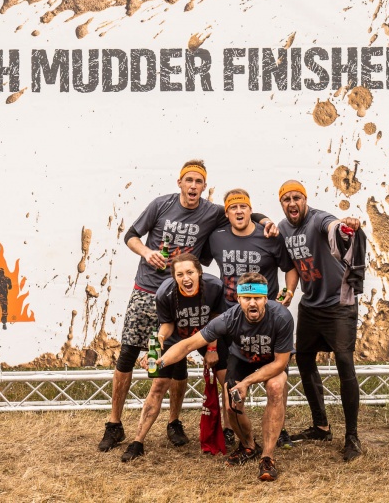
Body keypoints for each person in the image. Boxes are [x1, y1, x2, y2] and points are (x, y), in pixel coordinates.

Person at [98, 160, 277, 452]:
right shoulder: (161, 204)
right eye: (189, 180)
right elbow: (130, 235)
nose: (193, 186)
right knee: (129, 352)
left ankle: (174, 422)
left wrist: (266, 220)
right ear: (180, 182)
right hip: (148, 289)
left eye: (198, 181)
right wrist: (147, 252)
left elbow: (240, 210)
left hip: (186, 293)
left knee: (178, 359)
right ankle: (114, 424)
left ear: (204, 186)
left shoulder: (211, 212)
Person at [157, 272, 294, 482]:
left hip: (271, 362)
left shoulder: (282, 317)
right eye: (247, 298)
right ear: (239, 299)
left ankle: (267, 457)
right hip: (242, 359)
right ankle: (249, 446)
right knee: (232, 405)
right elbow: (188, 344)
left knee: (275, 387)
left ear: (266, 299)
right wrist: (161, 361)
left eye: (257, 298)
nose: (252, 303)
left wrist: (247, 382)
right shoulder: (229, 318)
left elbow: (280, 363)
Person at [202, 188, 299, 448]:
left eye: (243, 207)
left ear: (250, 209)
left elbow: (289, 268)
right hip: (231, 318)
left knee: (276, 380)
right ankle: (232, 428)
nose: (239, 211)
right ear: (226, 213)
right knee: (228, 379)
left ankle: (280, 429)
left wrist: (289, 291)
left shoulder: (269, 236)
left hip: (265, 318)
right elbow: (197, 261)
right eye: (233, 208)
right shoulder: (216, 237)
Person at [277, 179, 366, 462]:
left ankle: (352, 436)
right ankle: (321, 427)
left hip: (339, 304)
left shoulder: (318, 220)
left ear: (305, 200)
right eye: (287, 199)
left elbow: (333, 226)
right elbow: (292, 265)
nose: (292, 203)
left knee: (344, 363)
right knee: (303, 358)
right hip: (310, 305)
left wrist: (345, 224)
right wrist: (290, 291)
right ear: (282, 204)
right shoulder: (283, 228)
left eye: (297, 198)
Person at [120, 253, 227, 462]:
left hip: (207, 334)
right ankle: (137, 442)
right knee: (158, 385)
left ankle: (234, 434)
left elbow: (216, 318)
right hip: (176, 338)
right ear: (174, 277)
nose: (186, 278)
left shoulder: (214, 286)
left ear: (199, 272)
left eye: (190, 272)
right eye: (180, 274)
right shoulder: (164, 293)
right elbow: (167, 324)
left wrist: (212, 348)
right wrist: (160, 338)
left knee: (228, 382)